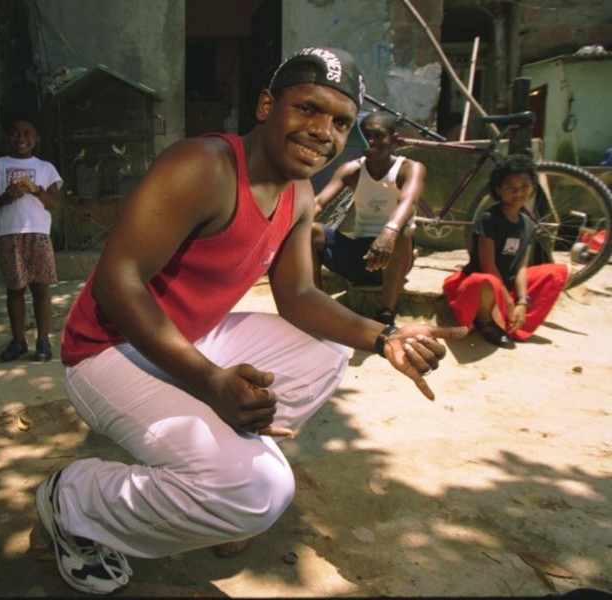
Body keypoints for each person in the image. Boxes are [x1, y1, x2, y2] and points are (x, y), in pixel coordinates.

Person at [34, 47, 466, 595]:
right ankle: (70, 497)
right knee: (258, 492)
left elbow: (301, 297)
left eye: (340, 122)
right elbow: (117, 283)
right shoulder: (203, 166)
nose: (322, 131)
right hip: (105, 351)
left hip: (186, 336)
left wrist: (386, 338)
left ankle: (221, 461)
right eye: (308, 109)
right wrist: (210, 381)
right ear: (267, 105)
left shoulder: (300, 193)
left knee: (328, 349)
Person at [311, 111, 426, 326]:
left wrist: (388, 232)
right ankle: (315, 302)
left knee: (405, 231)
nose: (371, 142)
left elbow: (408, 202)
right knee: (310, 230)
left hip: (396, 255)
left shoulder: (410, 169)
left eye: (379, 136)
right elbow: (318, 203)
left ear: (394, 139)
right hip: (360, 256)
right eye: (365, 136)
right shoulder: (351, 170)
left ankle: (386, 312)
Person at [442, 153, 570, 347]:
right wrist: (507, 301)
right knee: (487, 281)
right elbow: (488, 265)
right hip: (482, 285)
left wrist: (522, 301)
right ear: (498, 189)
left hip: (507, 285)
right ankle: (485, 322)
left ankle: (513, 319)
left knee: (563, 272)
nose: (518, 193)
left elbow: (521, 267)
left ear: (533, 188)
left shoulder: (528, 224)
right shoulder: (489, 219)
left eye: (524, 187)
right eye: (510, 187)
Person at [0, 114, 63, 363]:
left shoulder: (46, 168)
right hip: (9, 234)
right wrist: (5, 197)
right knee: (15, 289)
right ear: (7, 137)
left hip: (38, 234)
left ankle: (43, 340)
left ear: (37, 139)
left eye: (27, 134)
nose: (21, 138)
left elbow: (55, 203)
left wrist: (36, 190)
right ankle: (18, 340)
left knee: (40, 288)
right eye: (15, 133)